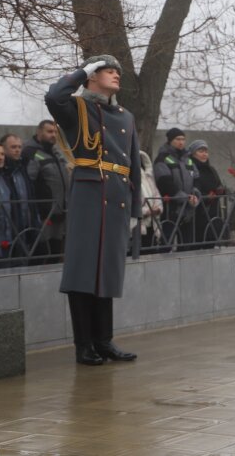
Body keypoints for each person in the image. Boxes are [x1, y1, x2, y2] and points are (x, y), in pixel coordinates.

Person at [45, 55, 141, 365]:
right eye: (107, 71)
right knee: (83, 272)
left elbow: (133, 164)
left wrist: (136, 207)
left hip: (117, 196)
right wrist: (83, 70)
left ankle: (104, 341)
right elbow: (53, 96)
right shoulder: (77, 108)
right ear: (91, 77)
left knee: (107, 273)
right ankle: (83, 345)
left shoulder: (126, 116)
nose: (115, 76)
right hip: (89, 192)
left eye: (117, 72)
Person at [22, 120, 70, 255]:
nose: (53, 135)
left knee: (56, 252)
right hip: (44, 215)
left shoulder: (55, 152)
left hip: (61, 212)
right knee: (42, 253)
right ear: (39, 132)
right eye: (49, 132)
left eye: (55, 132)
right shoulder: (31, 152)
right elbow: (29, 183)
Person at [153, 128, 200, 248]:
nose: (181, 142)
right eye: (177, 139)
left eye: (183, 139)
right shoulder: (162, 159)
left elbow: (196, 179)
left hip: (188, 209)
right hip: (170, 209)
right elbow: (165, 183)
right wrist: (184, 197)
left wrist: (195, 195)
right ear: (170, 141)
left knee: (187, 246)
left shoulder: (188, 160)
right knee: (166, 244)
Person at [0, 133, 39, 257]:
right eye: (13, 147)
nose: (17, 150)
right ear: (3, 148)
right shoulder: (1, 170)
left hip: (25, 223)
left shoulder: (22, 167)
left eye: (19, 147)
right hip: (8, 225)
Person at [189, 139, 226, 247]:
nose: (204, 154)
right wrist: (205, 197)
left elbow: (218, 184)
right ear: (193, 153)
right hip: (199, 211)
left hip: (213, 210)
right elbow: (192, 187)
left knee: (211, 240)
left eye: (206, 151)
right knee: (198, 241)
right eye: (200, 151)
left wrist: (221, 190)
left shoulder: (211, 169)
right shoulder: (191, 168)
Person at [134, 149, 163, 252]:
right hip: (136, 226)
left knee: (151, 251)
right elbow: (129, 202)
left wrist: (158, 208)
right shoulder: (128, 179)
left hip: (152, 223)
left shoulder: (148, 178)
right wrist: (146, 211)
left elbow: (156, 194)